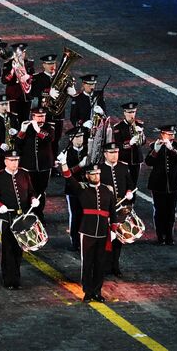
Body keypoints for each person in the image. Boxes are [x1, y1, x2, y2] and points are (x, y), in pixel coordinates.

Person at [59, 163, 119, 303]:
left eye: (97, 174)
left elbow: (113, 211)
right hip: (87, 231)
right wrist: (64, 164)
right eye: (93, 174)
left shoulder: (107, 190)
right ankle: (87, 291)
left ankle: (97, 292)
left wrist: (114, 228)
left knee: (100, 263)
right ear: (87, 176)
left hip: (103, 231)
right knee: (87, 263)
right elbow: (69, 178)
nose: (96, 176)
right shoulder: (82, 189)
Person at [0, 150, 38, 289]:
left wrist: (33, 199)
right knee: (8, 249)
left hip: (21, 217)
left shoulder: (24, 174)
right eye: (11, 160)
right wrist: (0, 206)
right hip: (7, 218)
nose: (14, 163)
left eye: (16, 160)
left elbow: (31, 191)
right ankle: (8, 280)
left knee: (18, 249)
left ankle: (16, 279)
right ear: (5, 161)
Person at [144, 125, 177, 245]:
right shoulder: (154, 146)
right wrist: (155, 150)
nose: (172, 136)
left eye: (172, 134)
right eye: (169, 134)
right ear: (162, 134)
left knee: (171, 211)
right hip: (158, 184)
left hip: (173, 184)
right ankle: (160, 236)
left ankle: (169, 236)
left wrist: (171, 148)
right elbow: (148, 162)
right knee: (159, 211)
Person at [98, 142, 134, 277]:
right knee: (106, 238)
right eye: (112, 153)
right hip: (106, 209)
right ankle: (105, 266)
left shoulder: (123, 167)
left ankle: (115, 266)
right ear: (105, 154)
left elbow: (130, 183)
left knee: (119, 238)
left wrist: (129, 192)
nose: (114, 155)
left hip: (120, 209)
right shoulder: (100, 169)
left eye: (116, 153)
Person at [15, 108, 54, 221]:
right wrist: (22, 131)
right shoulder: (28, 128)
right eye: (38, 116)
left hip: (44, 166)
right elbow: (17, 144)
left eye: (43, 116)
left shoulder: (49, 127)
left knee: (41, 191)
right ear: (33, 117)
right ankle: (30, 214)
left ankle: (39, 215)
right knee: (29, 191)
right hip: (29, 165)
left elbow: (49, 138)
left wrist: (38, 130)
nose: (41, 119)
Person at [60, 126, 88, 251]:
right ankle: (74, 241)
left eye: (81, 136)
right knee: (75, 216)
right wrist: (80, 165)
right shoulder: (66, 153)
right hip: (72, 190)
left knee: (86, 215)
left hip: (87, 188)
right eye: (76, 137)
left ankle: (85, 240)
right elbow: (66, 173)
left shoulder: (88, 150)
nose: (79, 139)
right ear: (71, 139)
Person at [112, 102, 145, 186]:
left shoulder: (139, 124)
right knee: (124, 184)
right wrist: (129, 143)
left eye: (133, 112)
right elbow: (118, 145)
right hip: (124, 160)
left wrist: (141, 135)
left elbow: (143, 142)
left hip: (136, 159)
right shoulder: (118, 127)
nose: (132, 114)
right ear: (125, 113)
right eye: (129, 112)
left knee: (134, 184)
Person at [1, 43, 34, 123]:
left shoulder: (29, 63)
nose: (22, 54)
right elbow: (4, 81)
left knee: (25, 119)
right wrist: (12, 70)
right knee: (13, 119)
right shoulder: (8, 64)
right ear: (14, 53)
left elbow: (33, 78)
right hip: (13, 96)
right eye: (19, 52)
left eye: (23, 52)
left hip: (26, 96)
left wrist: (28, 77)